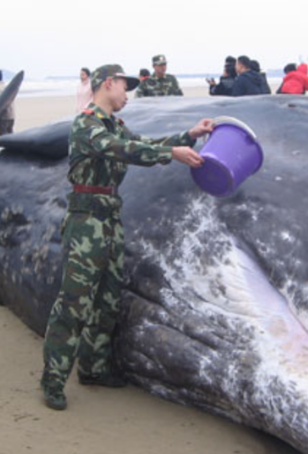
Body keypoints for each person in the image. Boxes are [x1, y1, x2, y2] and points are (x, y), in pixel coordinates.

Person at [40, 64, 211, 411]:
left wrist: (188, 135)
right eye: (124, 87)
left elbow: (141, 143)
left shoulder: (114, 125)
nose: (127, 94)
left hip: (110, 220)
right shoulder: (87, 124)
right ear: (108, 84)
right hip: (85, 221)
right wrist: (171, 155)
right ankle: (53, 379)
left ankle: (93, 368)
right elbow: (125, 151)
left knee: (106, 301)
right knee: (74, 304)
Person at [0, 70, 15, 135]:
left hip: (3, 118)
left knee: (4, 138)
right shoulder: (6, 87)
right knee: (10, 137)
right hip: (11, 116)